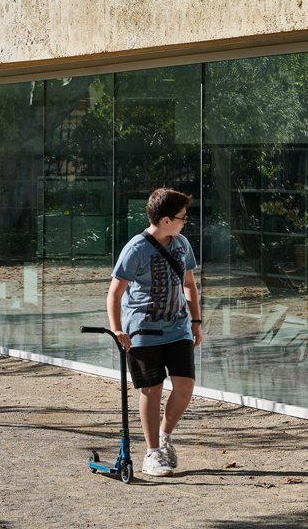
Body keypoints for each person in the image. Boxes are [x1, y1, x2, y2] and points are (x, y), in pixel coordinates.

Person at [107, 187, 202, 477]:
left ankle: (164, 436)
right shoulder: (136, 248)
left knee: (185, 386)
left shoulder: (182, 243)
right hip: (143, 331)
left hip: (178, 328)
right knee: (152, 389)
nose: (185, 221)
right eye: (182, 217)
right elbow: (114, 293)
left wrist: (196, 321)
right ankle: (152, 454)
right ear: (165, 220)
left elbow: (189, 284)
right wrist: (117, 330)